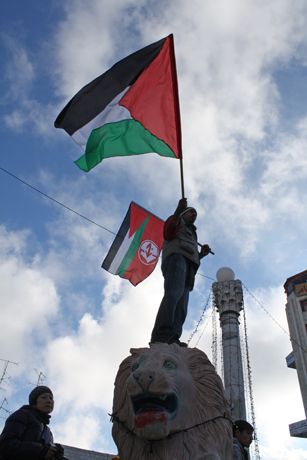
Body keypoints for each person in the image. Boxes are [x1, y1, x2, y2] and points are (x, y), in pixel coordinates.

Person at [150, 198, 211, 346]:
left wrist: (201, 254)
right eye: (191, 212)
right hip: (176, 258)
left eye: (195, 213)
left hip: (189, 267)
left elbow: (192, 254)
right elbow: (169, 232)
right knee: (173, 294)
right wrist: (178, 210)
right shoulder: (175, 220)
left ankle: (174, 336)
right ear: (183, 213)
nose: (194, 214)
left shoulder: (192, 233)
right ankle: (162, 333)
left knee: (182, 304)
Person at [0, 385, 66, 460]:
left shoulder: (48, 432)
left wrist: (56, 455)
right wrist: (40, 451)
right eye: (44, 397)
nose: (49, 400)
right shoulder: (22, 414)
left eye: (51, 398)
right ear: (34, 401)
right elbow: (5, 445)